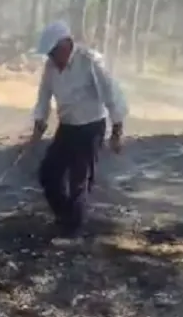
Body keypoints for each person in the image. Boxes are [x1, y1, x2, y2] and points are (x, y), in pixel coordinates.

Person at [30, 21, 128, 237]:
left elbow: (112, 95)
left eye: (54, 53)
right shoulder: (51, 67)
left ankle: (73, 231)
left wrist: (117, 132)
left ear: (67, 45)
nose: (52, 59)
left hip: (91, 127)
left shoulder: (90, 61)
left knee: (79, 181)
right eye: (50, 55)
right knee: (48, 174)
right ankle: (65, 216)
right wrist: (38, 126)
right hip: (67, 127)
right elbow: (44, 97)